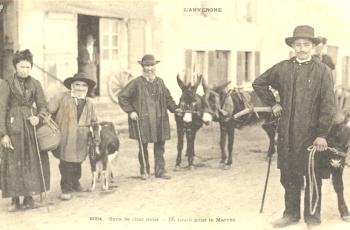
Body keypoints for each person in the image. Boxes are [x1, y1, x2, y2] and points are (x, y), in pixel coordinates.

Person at [252, 25, 336, 228]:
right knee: (288, 175)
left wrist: (322, 134)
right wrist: (273, 103)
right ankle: (290, 214)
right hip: (287, 133)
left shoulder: (323, 71)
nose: (302, 49)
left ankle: (312, 218)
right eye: (298, 45)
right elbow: (259, 83)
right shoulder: (282, 68)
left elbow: (328, 105)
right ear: (293, 47)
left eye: (306, 44)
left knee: (312, 176)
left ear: (314, 47)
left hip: (311, 135)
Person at [0, 49, 50, 212]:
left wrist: (39, 118)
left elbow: (43, 106)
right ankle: (15, 200)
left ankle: (29, 198)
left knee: (32, 161)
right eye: (22, 67)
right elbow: (1, 109)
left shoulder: (35, 83)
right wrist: (3, 134)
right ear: (15, 67)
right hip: (13, 127)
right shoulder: (7, 83)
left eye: (28, 67)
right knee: (14, 162)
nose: (25, 70)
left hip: (30, 127)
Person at [118, 54, 180, 180]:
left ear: (155, 67)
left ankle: (160, 171)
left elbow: (168, 98)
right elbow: (122, 96)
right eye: (146, 66)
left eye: (151, 65)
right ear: (142, 67)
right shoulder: (136, 83)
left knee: (160, 146)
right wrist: (130, 111)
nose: (149, 69)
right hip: (143, 120)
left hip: (159, 118)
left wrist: (175, 109)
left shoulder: (160, 82)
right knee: (142, 146)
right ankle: (144, 171)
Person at [48, 72, 97, 200]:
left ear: (87, 88)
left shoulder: (89, 103)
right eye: (77, 85)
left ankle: (76, 184)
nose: (80, 88)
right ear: (72, 85)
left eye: (84, 86)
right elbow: (48, 111)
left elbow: (94, 120)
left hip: (81, 137)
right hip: (65, 135)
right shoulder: (62, 97)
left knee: (78, 160)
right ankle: (66, 188)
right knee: (66, 162)